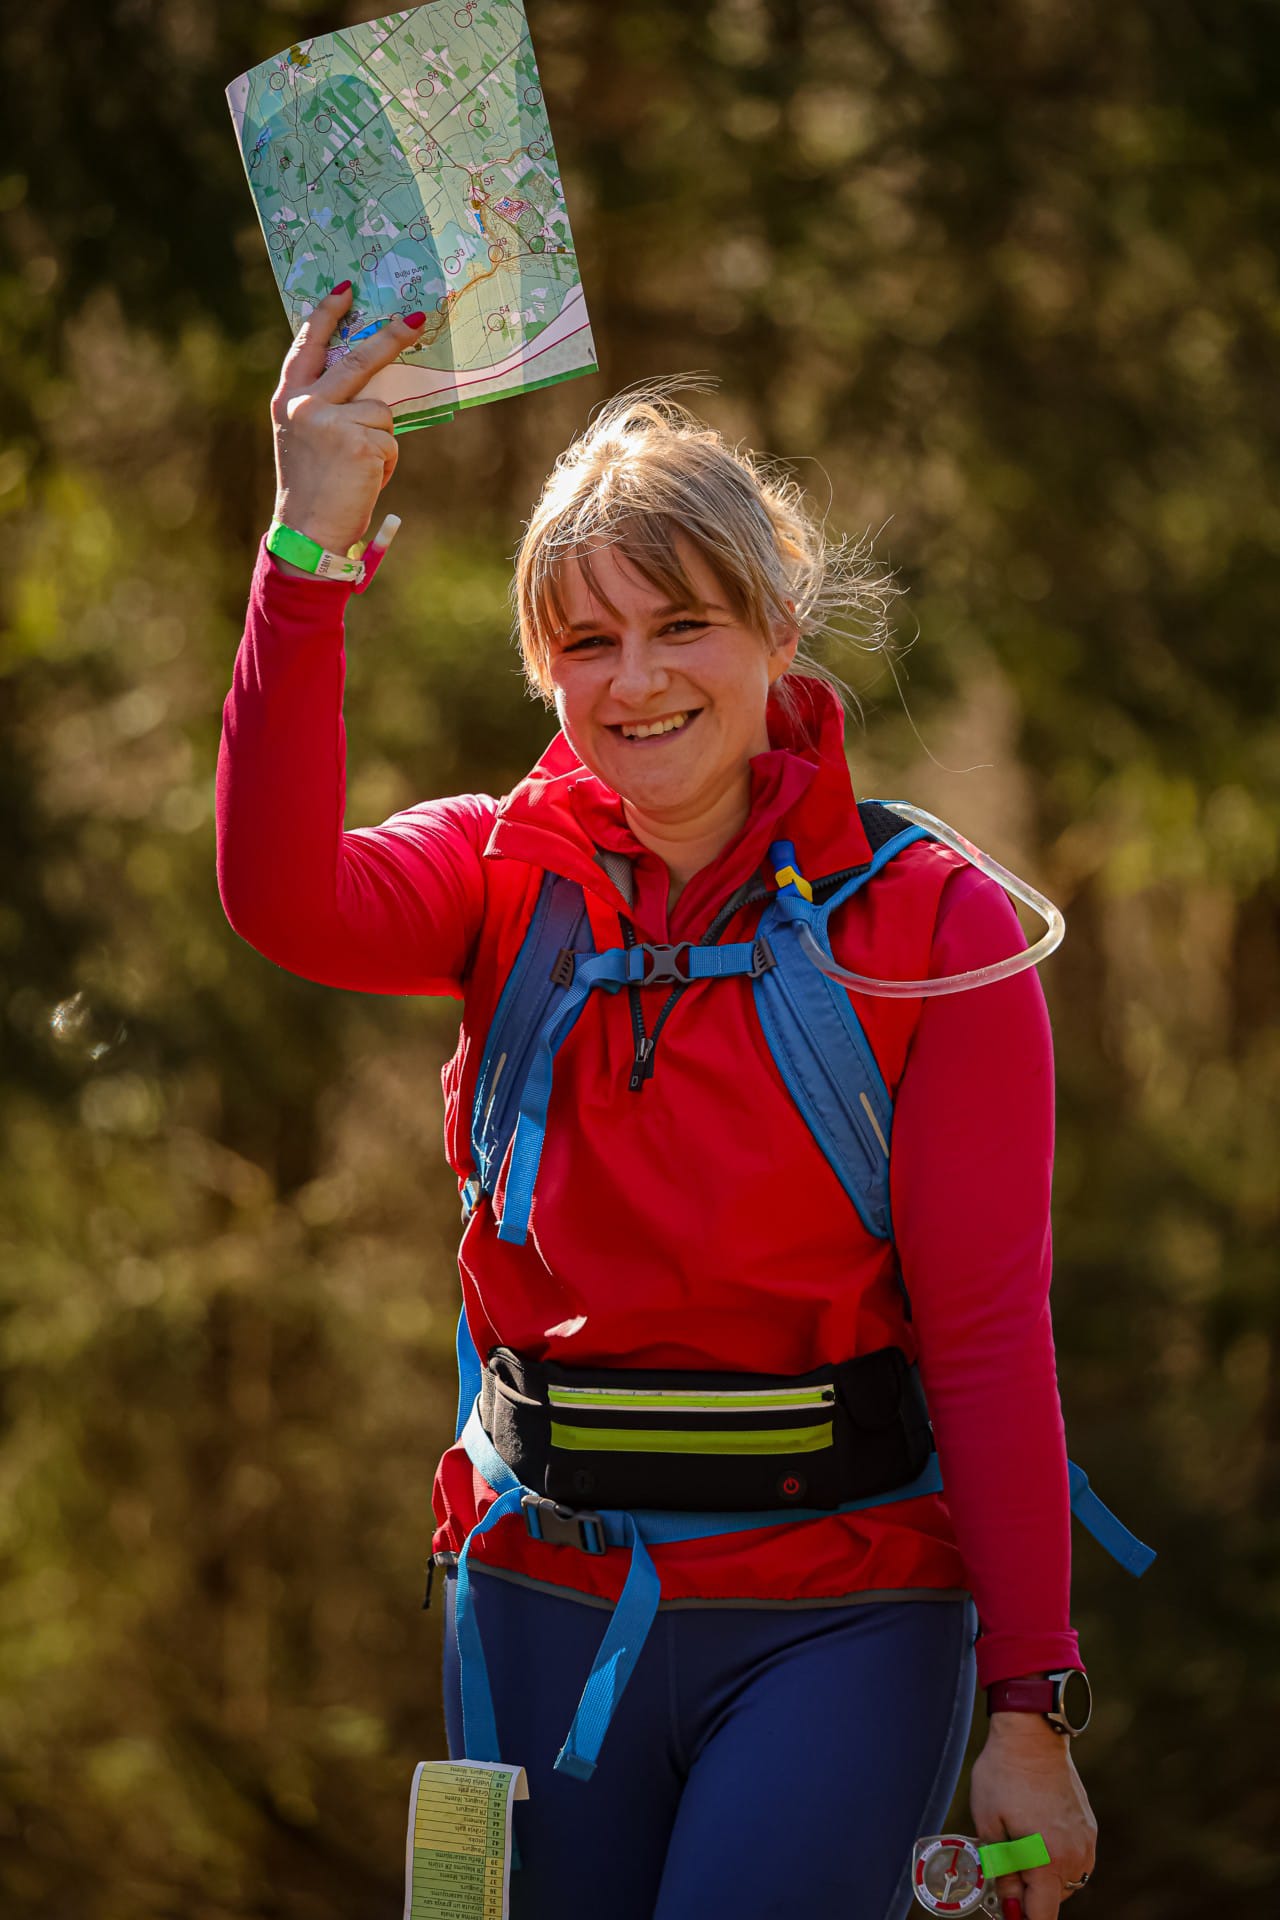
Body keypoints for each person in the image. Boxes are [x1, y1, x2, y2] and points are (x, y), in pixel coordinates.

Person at [217, 285, 1100, 1920]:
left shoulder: (936, 933)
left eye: (682, 623)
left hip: (845, 1613)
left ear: (779, 626)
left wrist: (1032, 1706)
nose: (635, 680)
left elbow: (987, 1336)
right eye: (587, 642)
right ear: (544, 668)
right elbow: (280, 896)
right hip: (535, 1599)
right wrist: (308, 546)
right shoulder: (500, 873)